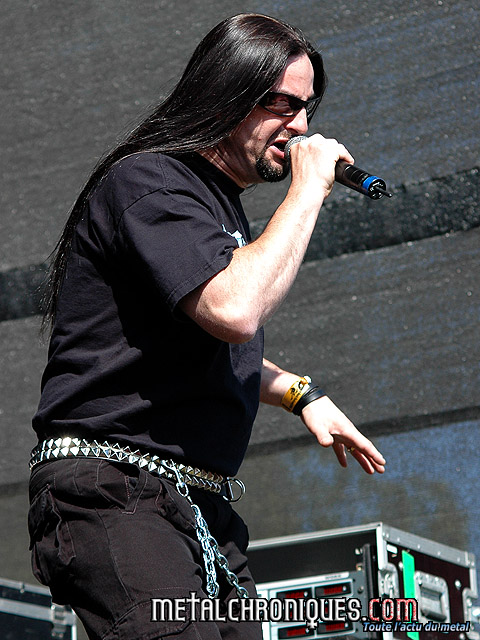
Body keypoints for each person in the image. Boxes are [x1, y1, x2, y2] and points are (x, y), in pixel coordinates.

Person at [28, 13, 386, 640]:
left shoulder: (216, 207)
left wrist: (300, 394)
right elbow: (234, 311)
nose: (301, 126)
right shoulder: (149, 183)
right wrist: (307, 192)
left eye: (307, 107)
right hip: (114, 490)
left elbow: (195, 340)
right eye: (283, 105)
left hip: (194, 504)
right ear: (225, 93)